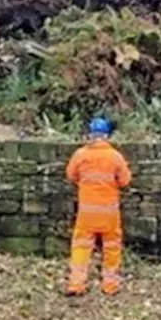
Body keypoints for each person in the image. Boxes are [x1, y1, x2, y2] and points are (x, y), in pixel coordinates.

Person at [64, 115, 133, 296]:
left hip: (86, 213)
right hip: (109, 212)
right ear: (107, 136)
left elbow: (71, 175)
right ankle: (110, 285)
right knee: (112, 247)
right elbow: (125, 181)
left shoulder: (80, 155)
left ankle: (76, 284)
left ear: (90, 135)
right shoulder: (115, 157)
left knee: (81, 246)